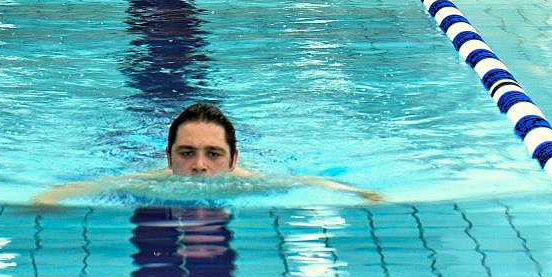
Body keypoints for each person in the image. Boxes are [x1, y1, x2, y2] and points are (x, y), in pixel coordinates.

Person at [32, 102, 381, 204]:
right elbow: (82, 188)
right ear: (168, 158)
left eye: (213, 154)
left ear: (233, 160)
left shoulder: (254, 181)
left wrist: (367, 196)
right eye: (187, 153)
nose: (199, 166)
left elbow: (311, 182)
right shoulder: (148, 181)